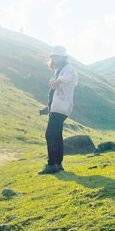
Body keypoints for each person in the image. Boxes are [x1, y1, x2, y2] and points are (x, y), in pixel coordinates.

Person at [38, 46, 78, 175]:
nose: (55, 58)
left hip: (61, 107)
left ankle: (52, 164)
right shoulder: (59, 70)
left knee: (50, 134)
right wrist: (48, 107)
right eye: (54, 56)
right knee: (56, 135)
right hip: (57, 107)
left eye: (58, 56)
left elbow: (68, 79)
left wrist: (58, 81)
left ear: (63, 57)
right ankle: (58, 164)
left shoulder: (67, 69)